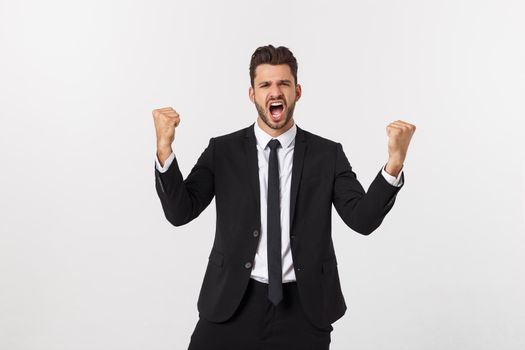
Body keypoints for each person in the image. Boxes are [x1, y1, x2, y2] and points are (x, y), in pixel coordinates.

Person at [152, 44, 416, 350]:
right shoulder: (222, 151)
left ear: (297, 91)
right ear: (252, 94)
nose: (274, 92)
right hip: (231, 304)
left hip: (303, 310)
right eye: (265, 85)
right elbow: (179, 212)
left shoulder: (327, 155)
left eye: (283, 84)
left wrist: (395, 162)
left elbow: (363, 220)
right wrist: (164, 150)